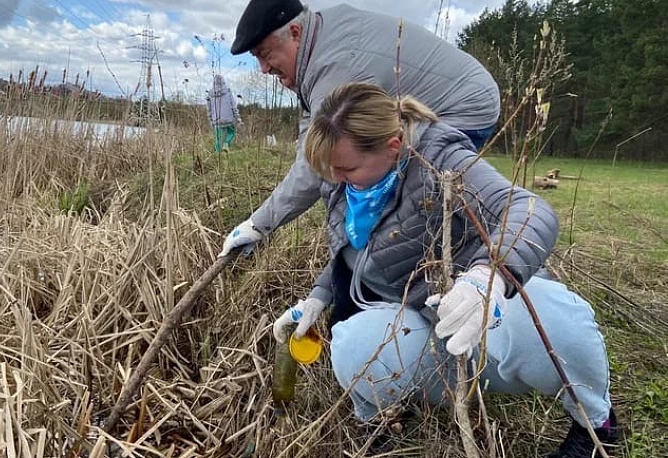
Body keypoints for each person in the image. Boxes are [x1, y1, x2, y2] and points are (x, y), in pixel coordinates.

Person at [269, 82, 619, 458]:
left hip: (479, 303)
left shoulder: (441, 161)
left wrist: (488, 277)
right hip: (422, 311)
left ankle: (596, 423)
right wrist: (319, 296)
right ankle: (386, 415)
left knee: (557, 324)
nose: (336, 179)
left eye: (346, 168)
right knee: (352, 347)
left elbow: (530, 210)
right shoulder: (349, 184)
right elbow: (355, 253)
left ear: (393, 146)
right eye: (331, 170)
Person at [219, 0, 500, 255]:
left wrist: (259, 224)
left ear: (294, 32)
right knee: (358, 181)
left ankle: (444, 268)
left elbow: (314, 169)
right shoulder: (319, 39)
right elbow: (312, 140)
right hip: (458, 95)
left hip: (463, 108)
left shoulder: (338, 65)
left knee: (398, 193)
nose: (263, 69)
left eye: (265, 54)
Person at [206, 74, 242, 152]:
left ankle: (217, 153)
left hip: (217, 119)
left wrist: (211, 119)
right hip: (228, 119)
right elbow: (233, 106)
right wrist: (237, 117)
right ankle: (226, 143)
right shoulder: (228, 92)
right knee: (231, 132)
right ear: (223, 82)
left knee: (218, 138)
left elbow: (209, 108)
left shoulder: (210, 94)